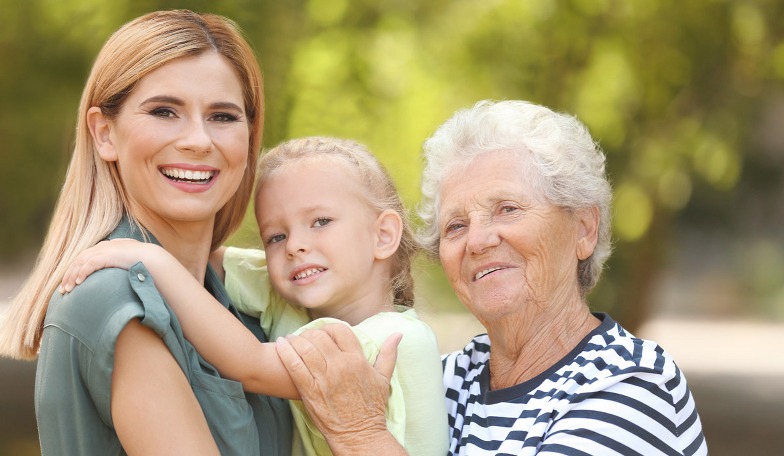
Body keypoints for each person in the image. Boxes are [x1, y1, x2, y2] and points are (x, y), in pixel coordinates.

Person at [274, 100, 709, 455]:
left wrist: (361, 436)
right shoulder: (446, 379)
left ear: (583, 229)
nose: (477, 241)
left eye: (508, 209)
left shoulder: (631, 389)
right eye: (456, 226)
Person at [0, 10, 292, 455]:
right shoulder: (115, 299)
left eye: (223, 117)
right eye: (164, 111)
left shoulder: (244, 301)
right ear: (104, 133)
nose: (198, 140)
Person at [59, 136, 449, 455]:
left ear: (383, 235)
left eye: (320, 222)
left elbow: (252, 365)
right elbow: (200, 259)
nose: (295, 245)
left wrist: (150, 259)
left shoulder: (396, 339)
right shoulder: (291, 295)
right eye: (275, 236)